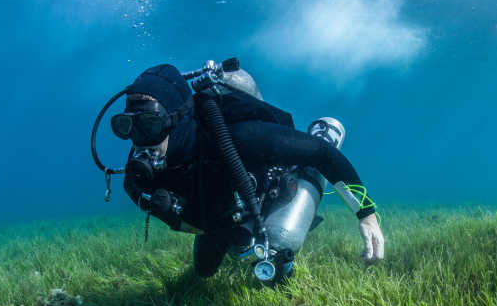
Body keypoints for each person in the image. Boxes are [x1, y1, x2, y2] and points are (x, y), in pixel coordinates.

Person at [111, 63, 384, 278]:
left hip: (267, 193)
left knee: (279, 256)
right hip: (221, 213)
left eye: (151, 124)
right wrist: (172, 212)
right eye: (127, 126)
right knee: (204, 271)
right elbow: (180, 212)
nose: (140, 139)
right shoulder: (143, 172)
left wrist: (366, 215)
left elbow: (323, 153)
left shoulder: (240, 138)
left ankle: (312, 167)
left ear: (178, 118)